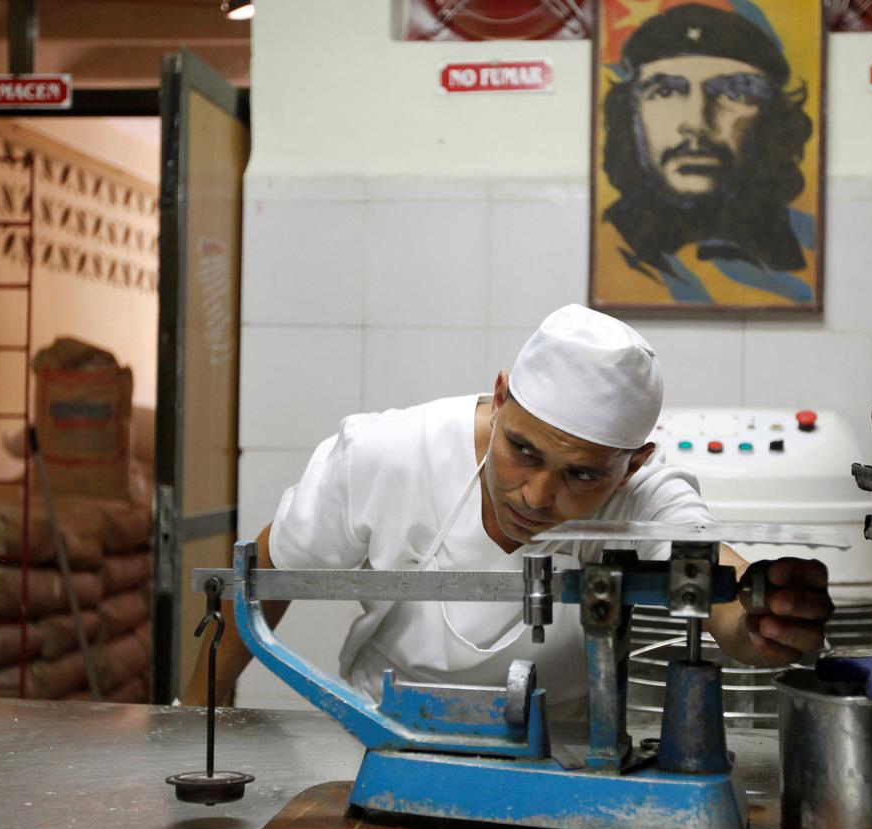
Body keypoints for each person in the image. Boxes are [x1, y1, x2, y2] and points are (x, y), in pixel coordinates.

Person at [184, 305, 833, 715]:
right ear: (499, 398)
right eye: (521, 449)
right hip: (379, 734)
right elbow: (266, 575)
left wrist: (760, 614)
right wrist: (187, 724)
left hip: (562, 754)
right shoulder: (385, 453)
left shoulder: (642, 492)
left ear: (632, 462)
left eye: (582, 474)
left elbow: (709, 566)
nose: (537, 495)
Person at [599, 3, 817, 306]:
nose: (696, 124)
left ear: (773, 121)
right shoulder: (608, 243)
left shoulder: (807, 246)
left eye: (733, 92)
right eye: (665, 91)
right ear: (631, 115)